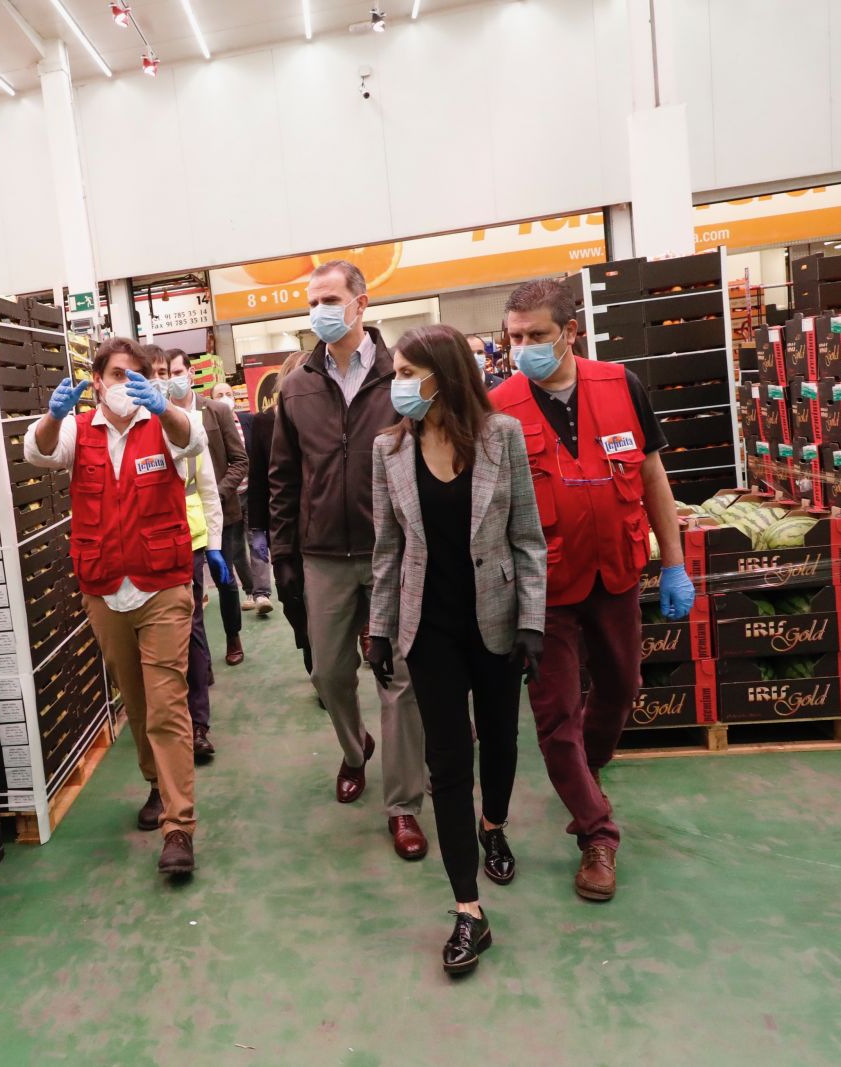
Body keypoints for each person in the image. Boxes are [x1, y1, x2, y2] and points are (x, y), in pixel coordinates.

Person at [493, 278, 696, 901]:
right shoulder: (497, 407)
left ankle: (588, 769)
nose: (523, 348)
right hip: (543, 589)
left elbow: (653, 475)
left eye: (536, 335)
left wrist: (674, 563)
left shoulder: (621, 385)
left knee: (621, 686)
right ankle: (596, 834)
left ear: (570, 333)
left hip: (616, 573)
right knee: (555, 714)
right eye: (514, 337)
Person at [368, 325, 547, 975]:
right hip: (429, 630)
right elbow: (388, 550)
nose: (397, 385)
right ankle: (469, 909)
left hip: (496, 620)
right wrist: (380, 628)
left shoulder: (502, 437)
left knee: (499, 742)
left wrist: (533, 621)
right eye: (395, 372)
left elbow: (527, 537)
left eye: (406, 373)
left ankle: (493, 825)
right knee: (447, 763)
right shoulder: (389, 449)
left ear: (442, 376)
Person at [25, 337, 208, 877]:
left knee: (167, 703)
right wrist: (51, 417)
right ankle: (156, 783)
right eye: (115, 375)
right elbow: (38, 451)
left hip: (162, 587)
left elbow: (192, 440)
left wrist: (164, 407)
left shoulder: (164, 423)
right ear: (97, 382)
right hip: (105, 588)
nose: (124, 384)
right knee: (138, 701)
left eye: (134, 375)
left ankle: (178, 826)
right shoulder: (78, 430)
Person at [270, 260, 431, 860]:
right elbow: (283, 477)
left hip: (392, 550)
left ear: (361, 304)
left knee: (399, 679)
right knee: (329, 673)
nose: (320, 311)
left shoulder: (401, 376)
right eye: (313, 301)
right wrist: (283, 553)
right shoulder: (297, 386)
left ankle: (403, 804)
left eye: (331, 299)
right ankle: (354, 747)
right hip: (323, 555)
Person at [145, 347, 229, 762]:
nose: (161, 380)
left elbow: (208, 487)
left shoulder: (189, 424)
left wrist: (214, 545)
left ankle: (198, 725)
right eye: (152, 373)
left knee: (191, 632)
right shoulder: (125, 429)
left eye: (166, 372)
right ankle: (163, 721)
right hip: (142, 551)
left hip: (187, 543)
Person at [165, 351, 249, 667]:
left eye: (177, 372)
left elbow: (240, 460)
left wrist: (218, 492)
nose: (172, 379)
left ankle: (233, 635)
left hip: (219, 512)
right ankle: (199, 658)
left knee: (224, 579)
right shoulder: (160, 416)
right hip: (180, 515)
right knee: (187, 588)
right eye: (166, 373)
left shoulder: (216, 411)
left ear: (190, 374)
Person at [249, 353, 313, 659]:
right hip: (284, 523)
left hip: (322, 521)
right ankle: (310, 650)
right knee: (292, 593)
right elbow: (258, 478)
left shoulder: (324, 417)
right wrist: (258, 529)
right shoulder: (264, 423)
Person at [209, 381, 261, 614]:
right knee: (237, 548)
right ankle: (250, 589)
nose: (225, 397)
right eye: (219, 394)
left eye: (229, 393)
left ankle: (261, 593)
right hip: (229, 497)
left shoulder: (247, 421)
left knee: (257, 542)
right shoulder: (210, 425)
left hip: (251, 492)